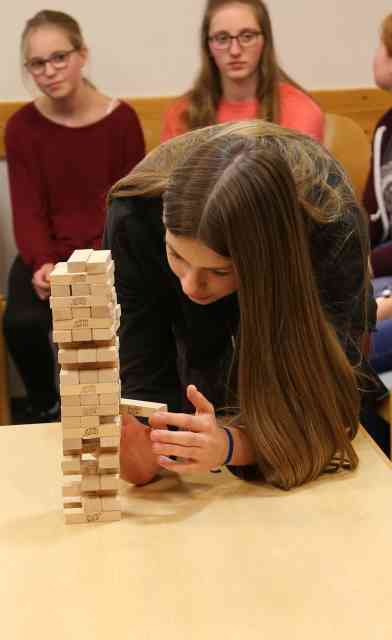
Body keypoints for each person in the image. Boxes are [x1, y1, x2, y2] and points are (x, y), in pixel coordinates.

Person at [104, 120, 386, 491]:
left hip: (284, 369)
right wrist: (146, 446)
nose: (191, 285)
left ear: (267, 259)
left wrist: (231, 445)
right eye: (176, 255)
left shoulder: (328, 223)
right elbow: (144, 379)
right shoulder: (136, 216)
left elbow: (329, 405)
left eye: (218, 270)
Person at [3, 10, 145, 423]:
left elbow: (130, 205)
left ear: (82, 55)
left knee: (129, 320)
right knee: (22, 323)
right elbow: (27, 208)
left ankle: (122, 410)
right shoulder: (22, 127)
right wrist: (42, 265)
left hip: (110, 251)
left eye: (59, 57)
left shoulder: (121, 120)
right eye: (37, 63)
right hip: (49, 255)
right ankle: (46, 409)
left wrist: (100, 263)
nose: (49, 71)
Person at [161, 0, 324, 143]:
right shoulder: (181, 114)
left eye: (247, 36)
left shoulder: (300, 110)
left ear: (265, 41)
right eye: (222, 38)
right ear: (208, 46)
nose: (235, 50)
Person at [362, 13, 392, 372]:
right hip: (383, 272)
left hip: (383, 273)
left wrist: (364, 266)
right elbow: (369, 218)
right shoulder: (386, 126)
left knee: (344, 356)